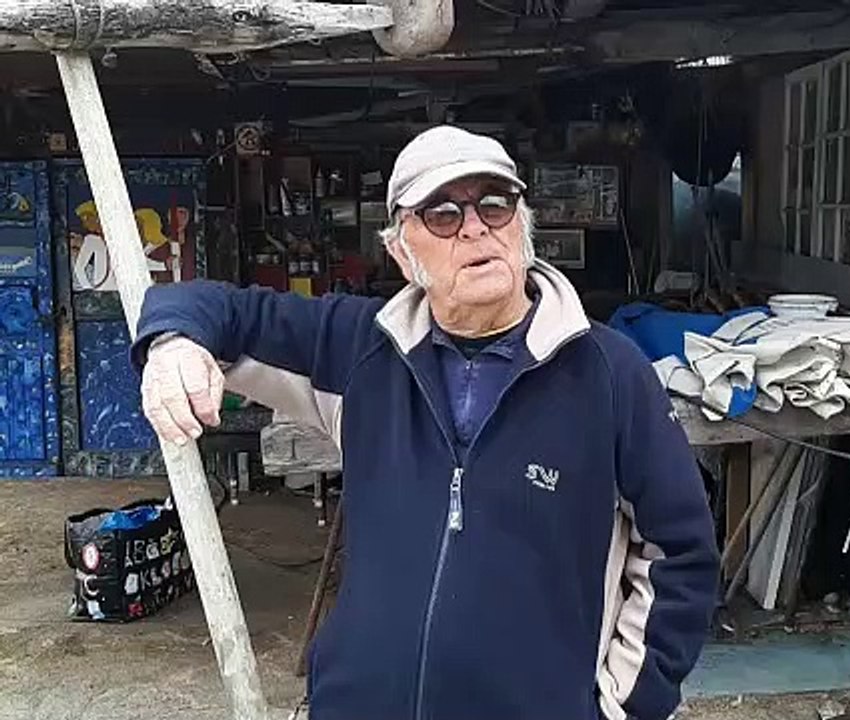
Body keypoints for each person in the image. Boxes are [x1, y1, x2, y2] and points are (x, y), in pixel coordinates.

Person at [132, 125, 720, 720]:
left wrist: (626, 706)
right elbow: (213, 307)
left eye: (495, 204)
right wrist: (174, 344)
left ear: (522, 225)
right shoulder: (362, 349)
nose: (475, 228)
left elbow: (681, 552)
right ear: (401, 251)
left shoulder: (608, 372)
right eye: (442, 214)